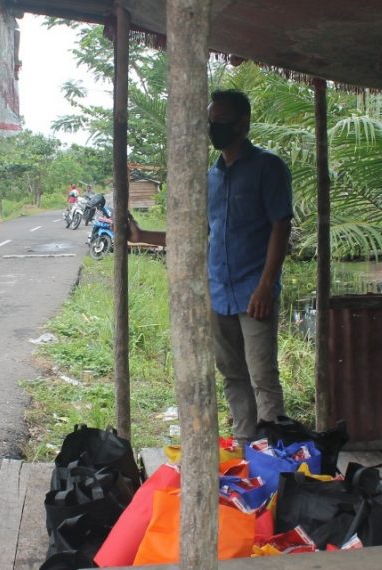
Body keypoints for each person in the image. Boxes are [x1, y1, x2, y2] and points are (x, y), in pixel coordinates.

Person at [127, 89, 292, 446]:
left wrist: (266, 285)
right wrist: (142, 236)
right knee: (233, 375)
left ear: (243, 123)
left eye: (221, 121)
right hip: (218, 293)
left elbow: (281, 227)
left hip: (254, 292)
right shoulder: (210, 178)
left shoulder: (268, 167)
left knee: (263, 376)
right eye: (209, 121)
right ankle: (246, 446)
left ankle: (273, 454)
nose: (213, 128)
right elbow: (195, 235)